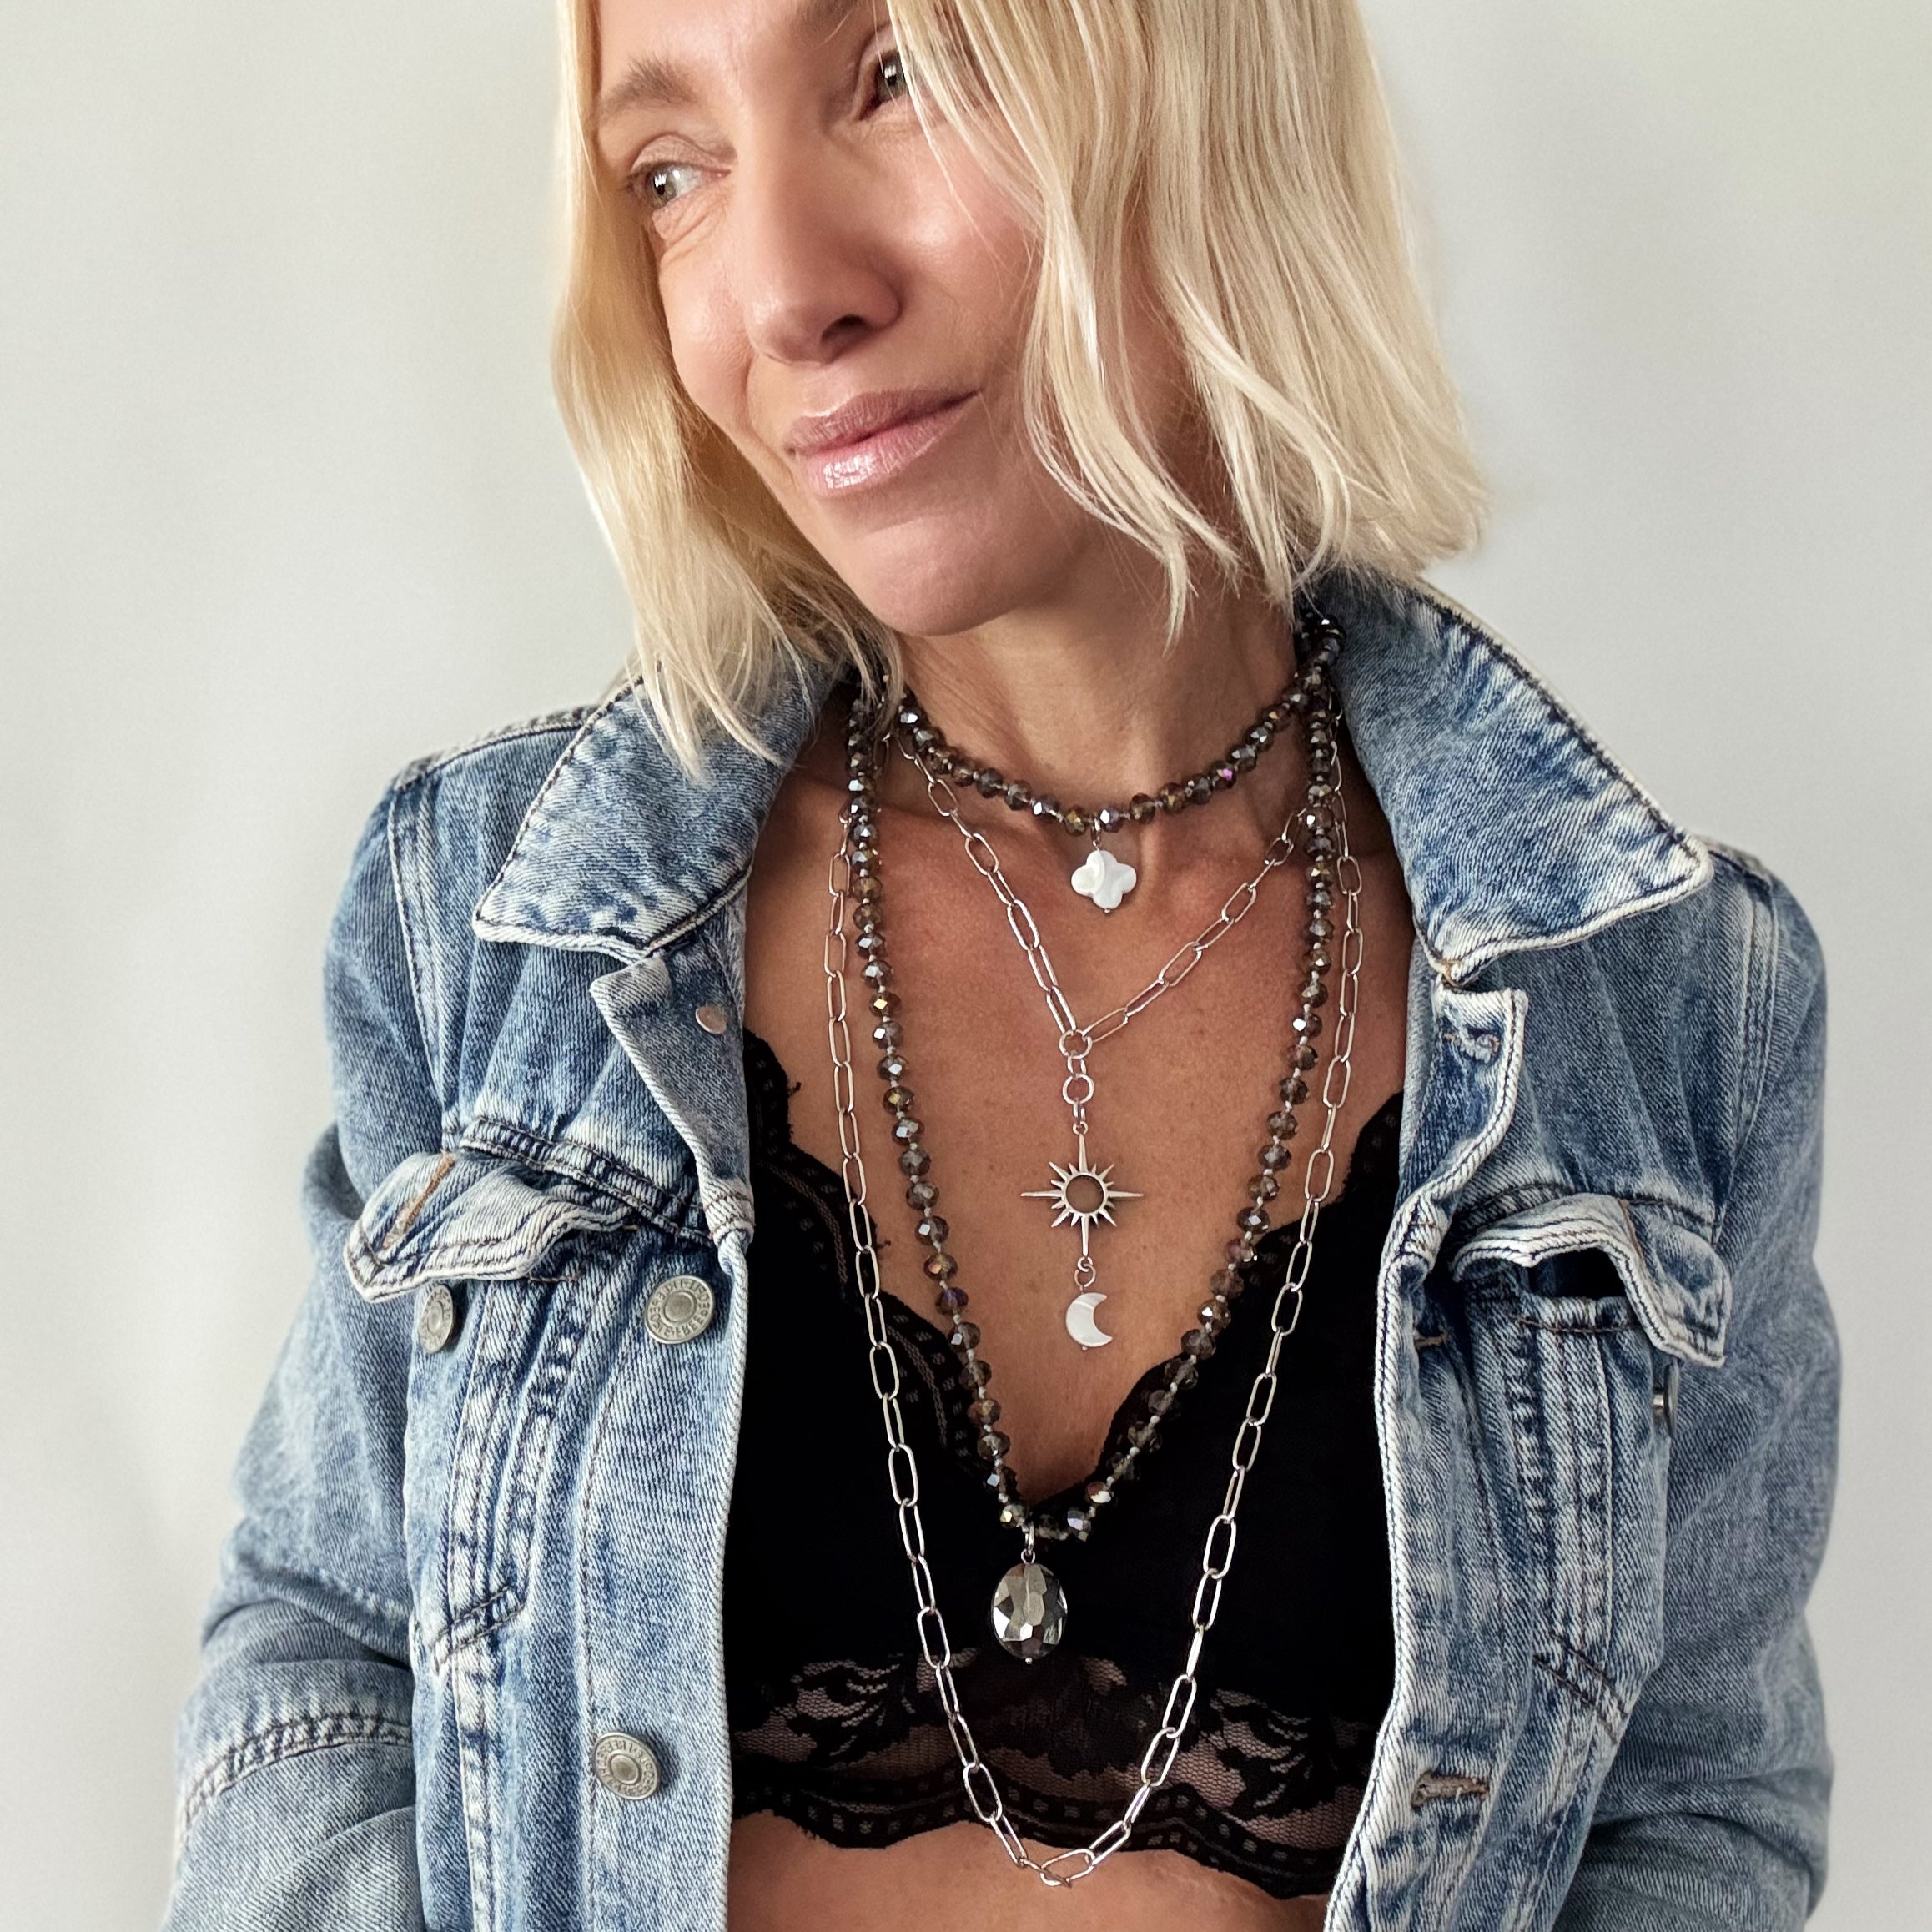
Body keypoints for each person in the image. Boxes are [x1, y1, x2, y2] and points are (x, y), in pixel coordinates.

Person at [162, 2, 1838, 1928]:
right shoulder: (498, 930)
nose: (781, 291)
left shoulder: (1661, 1002)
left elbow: (1693, 1803)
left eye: (898, 77)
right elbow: (322, 1650)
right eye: (672, 173)